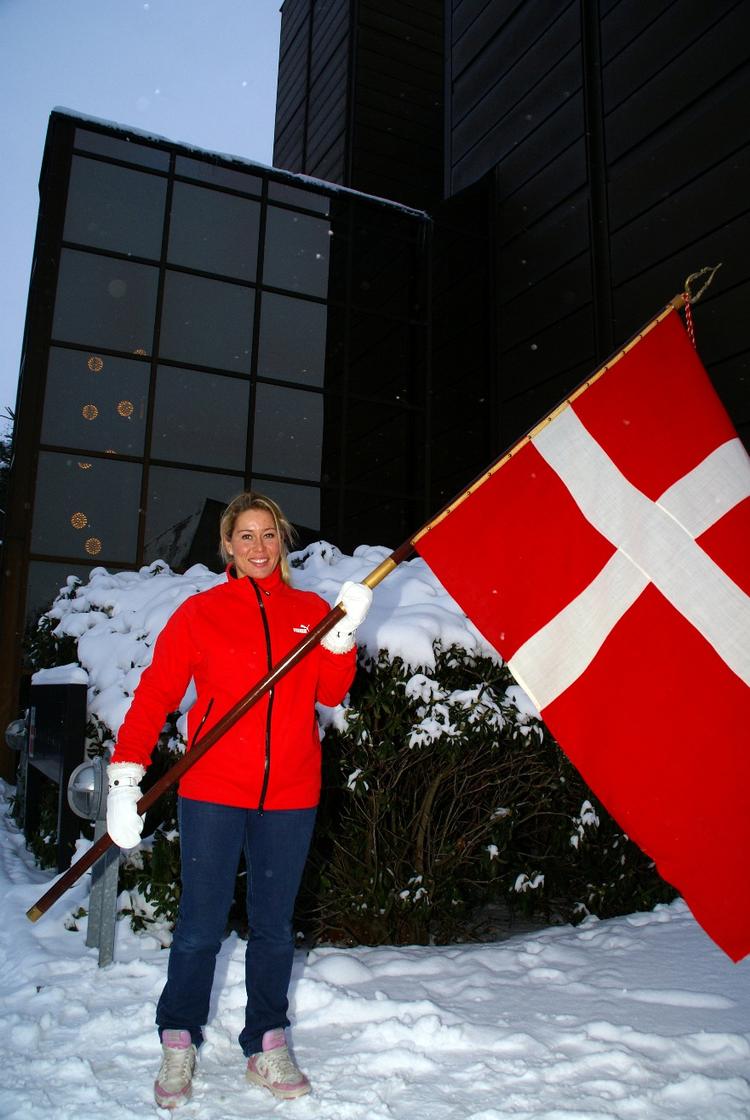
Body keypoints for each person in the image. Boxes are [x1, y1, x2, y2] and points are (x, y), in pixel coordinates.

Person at [105, 490, 372, 1108]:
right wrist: (126, 778)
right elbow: (155, 697)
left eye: (269, 534)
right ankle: (178, 1038)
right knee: (200, 927)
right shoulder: (201, 614)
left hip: (291, 792)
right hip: (213, 792)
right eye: (245, 536)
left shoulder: (310, 611)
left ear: (283, 541)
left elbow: (331, 693)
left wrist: (342, 634)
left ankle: (266, 1041)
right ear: (226, 545)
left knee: (275, 929)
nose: (258, 547)